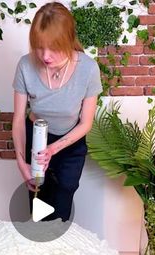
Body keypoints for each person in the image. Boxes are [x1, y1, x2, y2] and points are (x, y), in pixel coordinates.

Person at [12, 1, 102, 221]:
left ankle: (60, 250)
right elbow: (17, 119)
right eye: (39, 46)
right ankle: (38, 251)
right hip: (36, 137)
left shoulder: (88, 69)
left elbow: (86, 123)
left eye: (53, 47)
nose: (44, 56)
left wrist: (54, 149)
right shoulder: (25, 65)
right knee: (39, 205)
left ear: (68, 40)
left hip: (70, 142)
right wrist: (21, 161)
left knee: (62, 202)